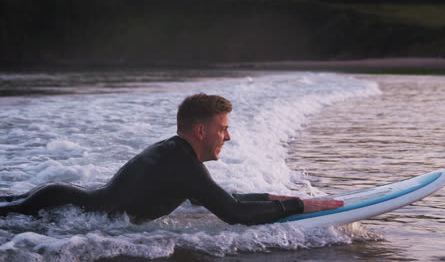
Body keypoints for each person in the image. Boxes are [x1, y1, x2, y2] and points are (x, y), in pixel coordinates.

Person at [0, 94, 343, 225]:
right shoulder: (181, 164)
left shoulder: (177, 156)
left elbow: (214, 197)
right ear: (199, 131)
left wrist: (274, 198)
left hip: (65, 198)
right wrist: (301, 207)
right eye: (223, 128)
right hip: (58, 206)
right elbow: (233, 213)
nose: (228, 136)